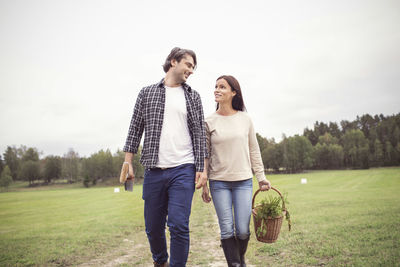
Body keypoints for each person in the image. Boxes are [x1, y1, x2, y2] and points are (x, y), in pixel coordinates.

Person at [123, 47, 207, 267]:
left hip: (184, 168)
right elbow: (134, 128)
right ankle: (160, 262)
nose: (191, 70)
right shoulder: (147, 93)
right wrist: (128, 161)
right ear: (173, 62)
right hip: (154, 170)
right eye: (188, 64)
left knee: (179, 225)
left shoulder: (193, 96)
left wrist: (202, 167)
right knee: (153, 227)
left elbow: (199, 134)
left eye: (193, 67)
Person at [201, 75, 271, 267]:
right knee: (226, 229)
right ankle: (235, 264)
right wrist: (204, 183)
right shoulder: (208, 121)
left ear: (234, 92)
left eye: (222, 87)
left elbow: (254, 149)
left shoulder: (245, 119)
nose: (217, 89)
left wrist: (261, 177)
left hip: (243, 181)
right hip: (218, 182)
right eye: (215, 86)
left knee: (242, 230)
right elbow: (205, 154)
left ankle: (239, 260)